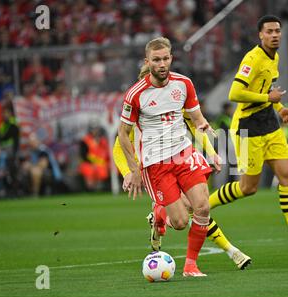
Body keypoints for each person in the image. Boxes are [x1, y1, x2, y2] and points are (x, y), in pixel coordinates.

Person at [208, 15, 288, 255]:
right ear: (260, 35)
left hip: (270, 125)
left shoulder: (276, 57)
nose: (274, 35)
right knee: (247, 188)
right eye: (269, 31)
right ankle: (201, 206)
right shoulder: (252, 59)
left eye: (277, 31)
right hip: (247, 128)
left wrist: (279, 108)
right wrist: (267, 99)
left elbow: (268, 91)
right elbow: (234, 93)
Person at [113, 68, 251, 270]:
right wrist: (129, 172)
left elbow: (195, 126)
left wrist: (211, 152)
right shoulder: (137, 117)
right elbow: (118, 148)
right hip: (155, 168)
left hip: (181, 159)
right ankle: (227, 249)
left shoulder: (174, 105)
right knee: (185, 216)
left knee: (199, 207)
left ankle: (228, 251)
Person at [119, 37, 217, 277]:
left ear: (171, 58)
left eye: (165, 58)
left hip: (183, 153)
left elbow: (195, 117)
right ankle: (159, 215)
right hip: (156, 164)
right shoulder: (136, 94)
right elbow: (123, 134)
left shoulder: (184, 84)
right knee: (181, 222)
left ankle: (191, 266)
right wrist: (133, 170)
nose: (162, 64)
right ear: (147, 62)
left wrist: (205, 128)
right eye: (156, 60)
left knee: (203, 207)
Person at [79, 122, 110, 191]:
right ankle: (90, 188)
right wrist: (95, 162)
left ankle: (101, 187)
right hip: (89, 163)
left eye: (97, 129)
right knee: (89, 169)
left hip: (102, 162)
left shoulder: (103, 140)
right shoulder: (85, 140)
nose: (95, 131)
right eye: (94, 129)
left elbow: (107, 153)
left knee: (107, 168)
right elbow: (84, 155)